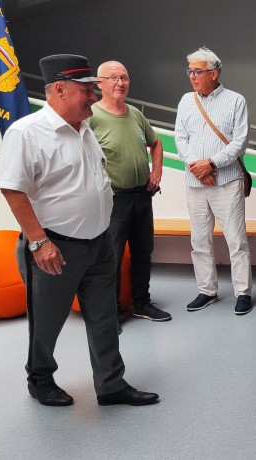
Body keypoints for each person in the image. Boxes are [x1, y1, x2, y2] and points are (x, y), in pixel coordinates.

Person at [0, 54, 158, 407]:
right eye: (85, 89)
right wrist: (39, 242)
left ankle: (111, 385)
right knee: (47, 322)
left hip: (99, 244)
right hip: (55, 249)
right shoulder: (27, 133)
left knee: (104, 318)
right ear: (59, 89)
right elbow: (12, 189)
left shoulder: (85, 129)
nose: (93, 95)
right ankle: (40, 381)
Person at [89, 60, 171, 327]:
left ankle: (142, 303)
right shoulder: (91, 116)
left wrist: (156, 171)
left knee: (143, 252)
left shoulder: (135, 113)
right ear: (99, 83)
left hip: (142, 195)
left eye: (124, 77)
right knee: (111, 256)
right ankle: (110, 313)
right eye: (113, 78)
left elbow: (156, 143)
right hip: (114, 198)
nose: (120, 83)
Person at [174, 47, 253, 315]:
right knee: (199, 240)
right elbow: (180, 138)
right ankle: (207, 291)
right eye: (190, 71)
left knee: (236, 240)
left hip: (227, 182)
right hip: (195, 183)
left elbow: (240, 141)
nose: (192, 76)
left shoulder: (236, 100)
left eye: (197, 71)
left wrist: (211, 163)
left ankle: (243, 292)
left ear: (214, 73)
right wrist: (197, 166)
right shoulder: (186, 100)